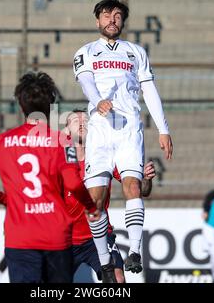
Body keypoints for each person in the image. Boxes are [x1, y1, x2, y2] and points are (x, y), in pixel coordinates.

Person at [72, 0, 173, 277]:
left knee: (132, 187)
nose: (112, 20)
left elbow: (149, 91)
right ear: (97, 21)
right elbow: (86, 81)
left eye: (117, 15)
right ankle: (104, 259)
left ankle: (136, 252)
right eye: (106, 15)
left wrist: (163, 129)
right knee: (95, 198)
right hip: (100, 131)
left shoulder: (135, 52)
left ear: (123, 22)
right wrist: (98, 100)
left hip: (129, 130)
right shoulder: (86, 52)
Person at [0, 72, 99, 283]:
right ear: (50, 105)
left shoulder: (2, 142)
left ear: (21, 105)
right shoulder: (61, 140)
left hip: (20, 235)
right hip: (56, 234)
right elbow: (73, 183)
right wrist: (91, 207)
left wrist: (6, 200)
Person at [63, 109, 157, 283]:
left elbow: (141, 191)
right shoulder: (59, 163)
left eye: (86, 120)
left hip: (97, 237)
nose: (82, 123)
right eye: (76, 121)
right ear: (66, 131)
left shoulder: (106, 160)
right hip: (64, 239)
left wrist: (145, 179)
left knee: (117, 279)